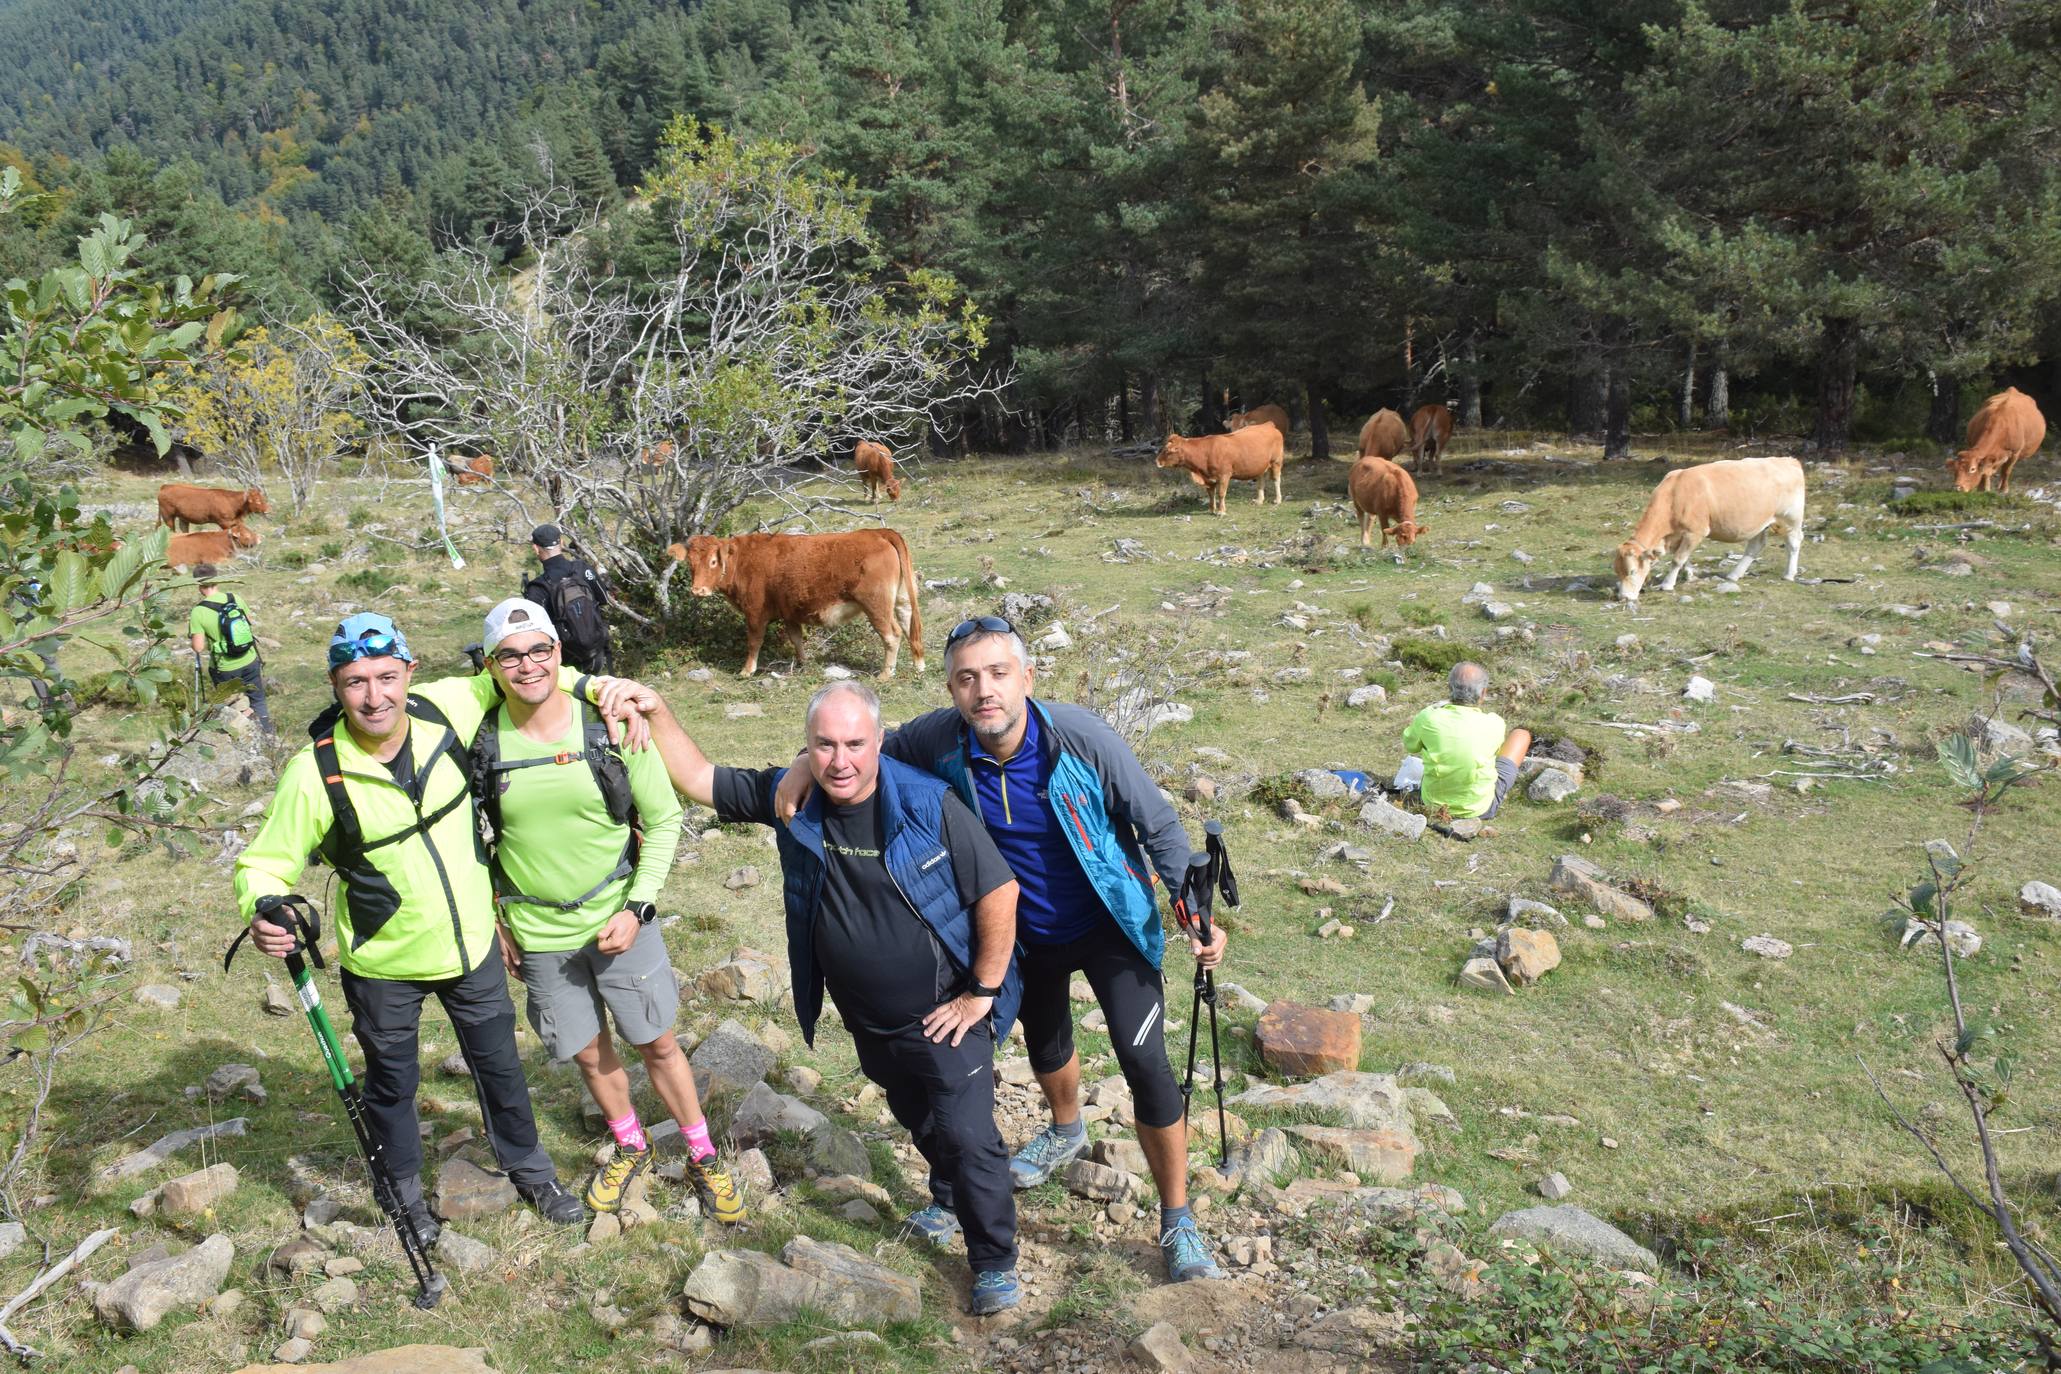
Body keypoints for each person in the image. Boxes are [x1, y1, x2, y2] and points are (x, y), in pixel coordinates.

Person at [775, 616, 1230, 1284]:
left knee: (1143, 1061)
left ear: (1025, 677)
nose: (982, 691)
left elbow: (1155, 822)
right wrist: (799, 767)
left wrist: (1192, 914)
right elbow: (867, 746)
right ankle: (1065, 1131)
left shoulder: (1079, 737)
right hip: (1018, 935)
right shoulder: (941, 737)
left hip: (1107, 922)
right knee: (1044, 1043)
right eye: (966, 678)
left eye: (995, 674)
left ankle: (1177, 1219)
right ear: (952, 688)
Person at [599, 675, 1028, 1316]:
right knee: (917, 1112)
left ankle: (993, 1260)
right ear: (806, 745)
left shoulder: (926, 804)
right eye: (823, 745)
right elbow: (699, 779)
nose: (840, 760)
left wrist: (981, 993)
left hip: (948, 1009)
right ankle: (946, 1195)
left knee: (969, 1134)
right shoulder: (794, 798)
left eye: (855, 743)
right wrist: (657, 710)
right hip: (868, 1017)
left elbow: (999, 890)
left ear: (880, 740)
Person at [233, 612, 594, 1240]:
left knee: (502, 1068)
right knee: (393, 1084)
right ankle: (403, 1197)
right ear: (334, 685)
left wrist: (597, 688)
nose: (375, 697)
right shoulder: (315, 771)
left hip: (473, 945)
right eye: (355, 683)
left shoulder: (444, 708)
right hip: (383, 963)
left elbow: (526, 670)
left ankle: (532, 1171)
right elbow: (264, 863)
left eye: (386, 677)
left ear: (410, 672)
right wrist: (266, 909)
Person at [473, 597, 742, 1224]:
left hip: (620, 915)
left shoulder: (611, 725)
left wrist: (639, 908)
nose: (528, 665)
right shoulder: (481, 739)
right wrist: (496, 915)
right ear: (490, 665)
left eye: (540, 650)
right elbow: (472, 837)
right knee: (588, 1051)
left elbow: (666, 817)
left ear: (558, 654)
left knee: (657, 1042)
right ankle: (630, 1143)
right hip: (539, 930)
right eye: (510, 656)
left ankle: (702, 1152)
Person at [1399, 661, 1532, 819]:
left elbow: (1410, 745)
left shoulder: (1428, 716)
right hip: (1480, 809)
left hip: (1432, 804)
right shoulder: (1495, 723)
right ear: (1483, 693)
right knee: (1521, 734)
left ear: (1450, 688)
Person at [188, 563, 274, 736]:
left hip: (225, 668)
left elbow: (198, 647)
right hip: (250, 658)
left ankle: (244, 738)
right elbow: (249, 620)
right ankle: (268, 734)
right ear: (217, 580)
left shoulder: (198, 611)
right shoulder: (234, 597)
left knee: (233, 705)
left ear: (199, 585)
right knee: (258, 699)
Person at [522, 523, 613, 674]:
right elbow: (603, 598)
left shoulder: (538, 587)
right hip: (598, 652)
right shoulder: (582, 568)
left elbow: (534, 633)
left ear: (535, 548)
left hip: (566, 662)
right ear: (562, 543)